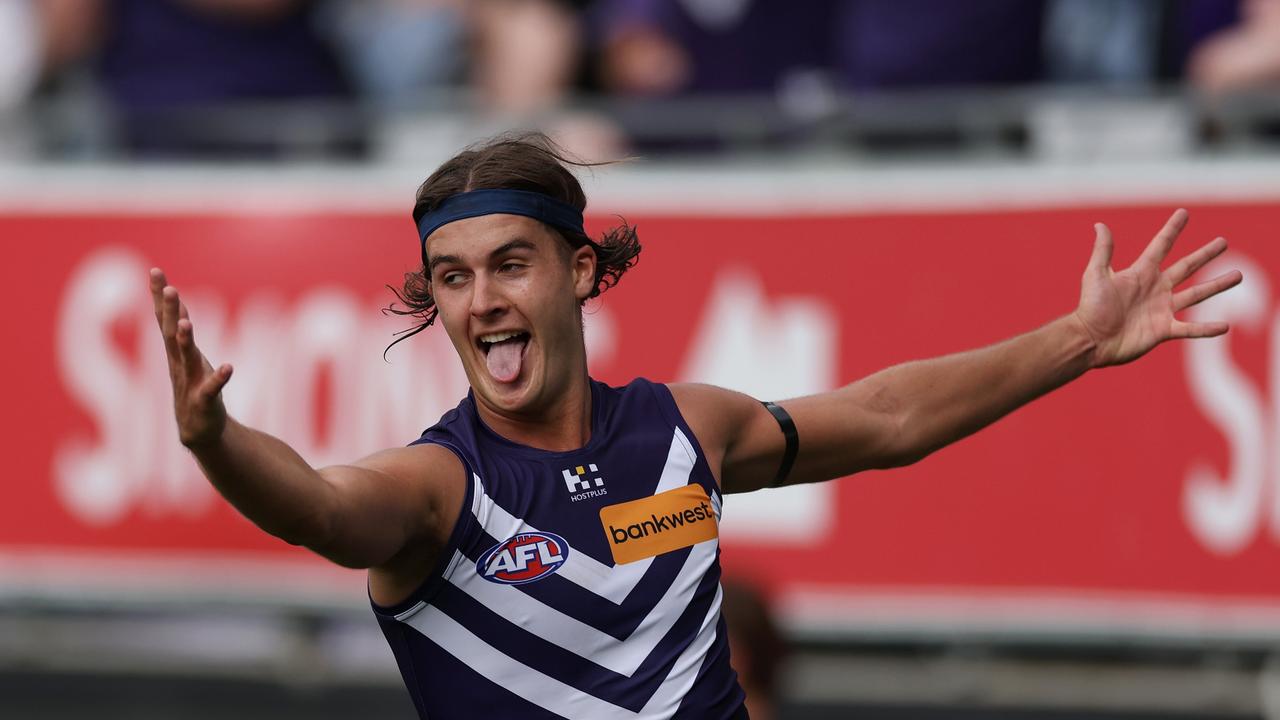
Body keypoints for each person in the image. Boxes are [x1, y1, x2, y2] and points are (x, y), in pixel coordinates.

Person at [149, 133, 1242, 719]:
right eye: (449, 277)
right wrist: (217, 443)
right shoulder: (439, 488)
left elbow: (886, 415)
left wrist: (1079, 341)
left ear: (579, 272)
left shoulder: (682, 433)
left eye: (508, 265)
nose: (478, 300)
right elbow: (323, 508)